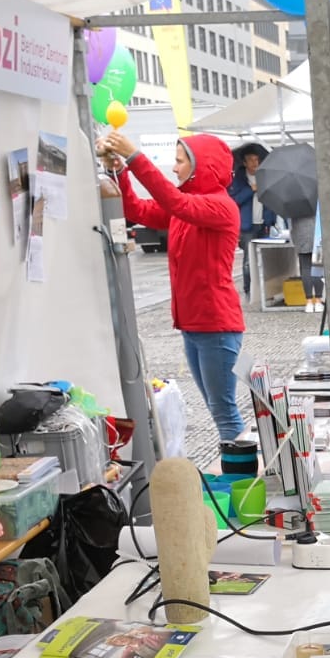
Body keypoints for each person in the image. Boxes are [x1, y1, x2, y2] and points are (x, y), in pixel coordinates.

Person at [99, 130, 246, 444]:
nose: (174, 168)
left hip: (216, 326)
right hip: (194, 326)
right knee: (218, 409)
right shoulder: (187, 205)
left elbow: (174, 201)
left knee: (224, 411)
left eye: (179, 161)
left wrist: (135, 157)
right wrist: (119, 171)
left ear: (201, 165)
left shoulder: (220, 207)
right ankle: (238, 477)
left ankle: (241, 483)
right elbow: (135, 209)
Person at [227, 141, 270, 299]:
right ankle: (248, 290)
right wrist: (250, 190)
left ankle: (265, 290)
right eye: (251, 160)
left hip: (264, 223)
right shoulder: (237, 180)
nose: (254, 163)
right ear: (244, 163)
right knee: (248, 260)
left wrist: (271, 221)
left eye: (256, 159)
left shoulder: (264, 177)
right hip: (247, 226)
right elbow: (232, 201)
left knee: (266, 259)